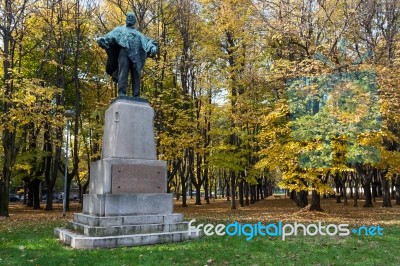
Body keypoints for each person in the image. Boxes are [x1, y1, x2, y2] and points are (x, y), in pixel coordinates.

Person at [97, 12, 158, 97]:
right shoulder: (120, 29)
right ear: (126, 19)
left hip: (136, 56)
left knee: (136, 73)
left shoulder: (139, 34)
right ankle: (122, 93)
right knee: (123, 72)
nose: (130, 18)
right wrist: (103, 40)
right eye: (128, 16)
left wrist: (153, 47)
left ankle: (136, 95)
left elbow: (148, 42)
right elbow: (110, 37)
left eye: (132, 17)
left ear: (134, 20)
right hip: (124, 53)